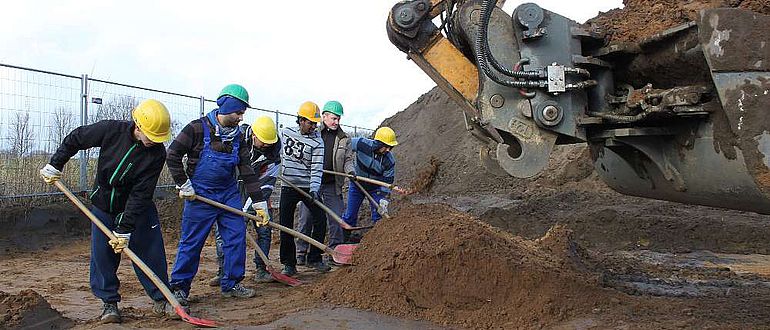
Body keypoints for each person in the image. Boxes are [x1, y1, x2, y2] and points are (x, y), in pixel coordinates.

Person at [39, 99, 175, 323]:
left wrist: (125, 228)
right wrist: (56, 164)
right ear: (138, 126)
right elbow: (76, 139)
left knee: (151, 253)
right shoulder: (111, 131)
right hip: (104, 205)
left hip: (138, 210)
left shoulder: (157, 153)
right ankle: (109, 304)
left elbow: (141, 193)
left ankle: (162, 300)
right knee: (102, 256)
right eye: (151, 135)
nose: (155, 141)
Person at [166, 84, 263, 303]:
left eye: (242, 113)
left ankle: (231, 283)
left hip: (228, 194)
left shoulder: (239, 137)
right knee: (192, 242)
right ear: (227, 107)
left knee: (236, 238)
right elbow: (172, 155)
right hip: (200, 194)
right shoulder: (196, 129)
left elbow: (247, 170)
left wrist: (259, 202)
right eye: (238, 112)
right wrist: (183, 183)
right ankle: (180, 287)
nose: (240, 117)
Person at [209, 116, 281, 285]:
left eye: (269, 143)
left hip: (259, 190)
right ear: (253, 135)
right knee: (223, 231)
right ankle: (223, 271)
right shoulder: (236, 138)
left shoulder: (274, 152)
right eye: (262, 142)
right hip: (231, 187)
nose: (265, 146)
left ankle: (261, 270)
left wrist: (255, 207)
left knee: (264, 228)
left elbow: (267, 182)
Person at [296, 101, 354, 266]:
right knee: (306, 217)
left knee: (335, 218)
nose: (336, 122)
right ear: (324, 117)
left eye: (338, 119)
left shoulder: (344, 139)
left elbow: (348, 160)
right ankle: (301, 251)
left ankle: (335, 251)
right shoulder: (313, 133)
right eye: (334, 118)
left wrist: (351, 171)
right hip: (312, 183)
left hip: (331, 184)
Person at [277, 101, 328, 276]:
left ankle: (314, 258)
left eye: (315, 123)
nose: (313, 126)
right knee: (285, 225)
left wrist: (314, 189)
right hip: (288, 185)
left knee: (321, 219)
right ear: (301, 120)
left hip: (307, 186)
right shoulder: (285, 133)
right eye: (310, 122)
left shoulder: (317, 142)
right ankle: (289, 263)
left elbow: (316, 167)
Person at [342, 127, 399, 227]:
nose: (388, 150)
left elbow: (387, 182)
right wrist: (349, 166)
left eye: (390, 147)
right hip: (357, 184)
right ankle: (344, 237)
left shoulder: (389, 161)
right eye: (386, 146)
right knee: (350, 215)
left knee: (379, 216)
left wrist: (383, 199)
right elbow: (345, 146)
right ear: (378, 143)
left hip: (375, 189)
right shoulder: (361, 144)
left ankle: (376, 239)